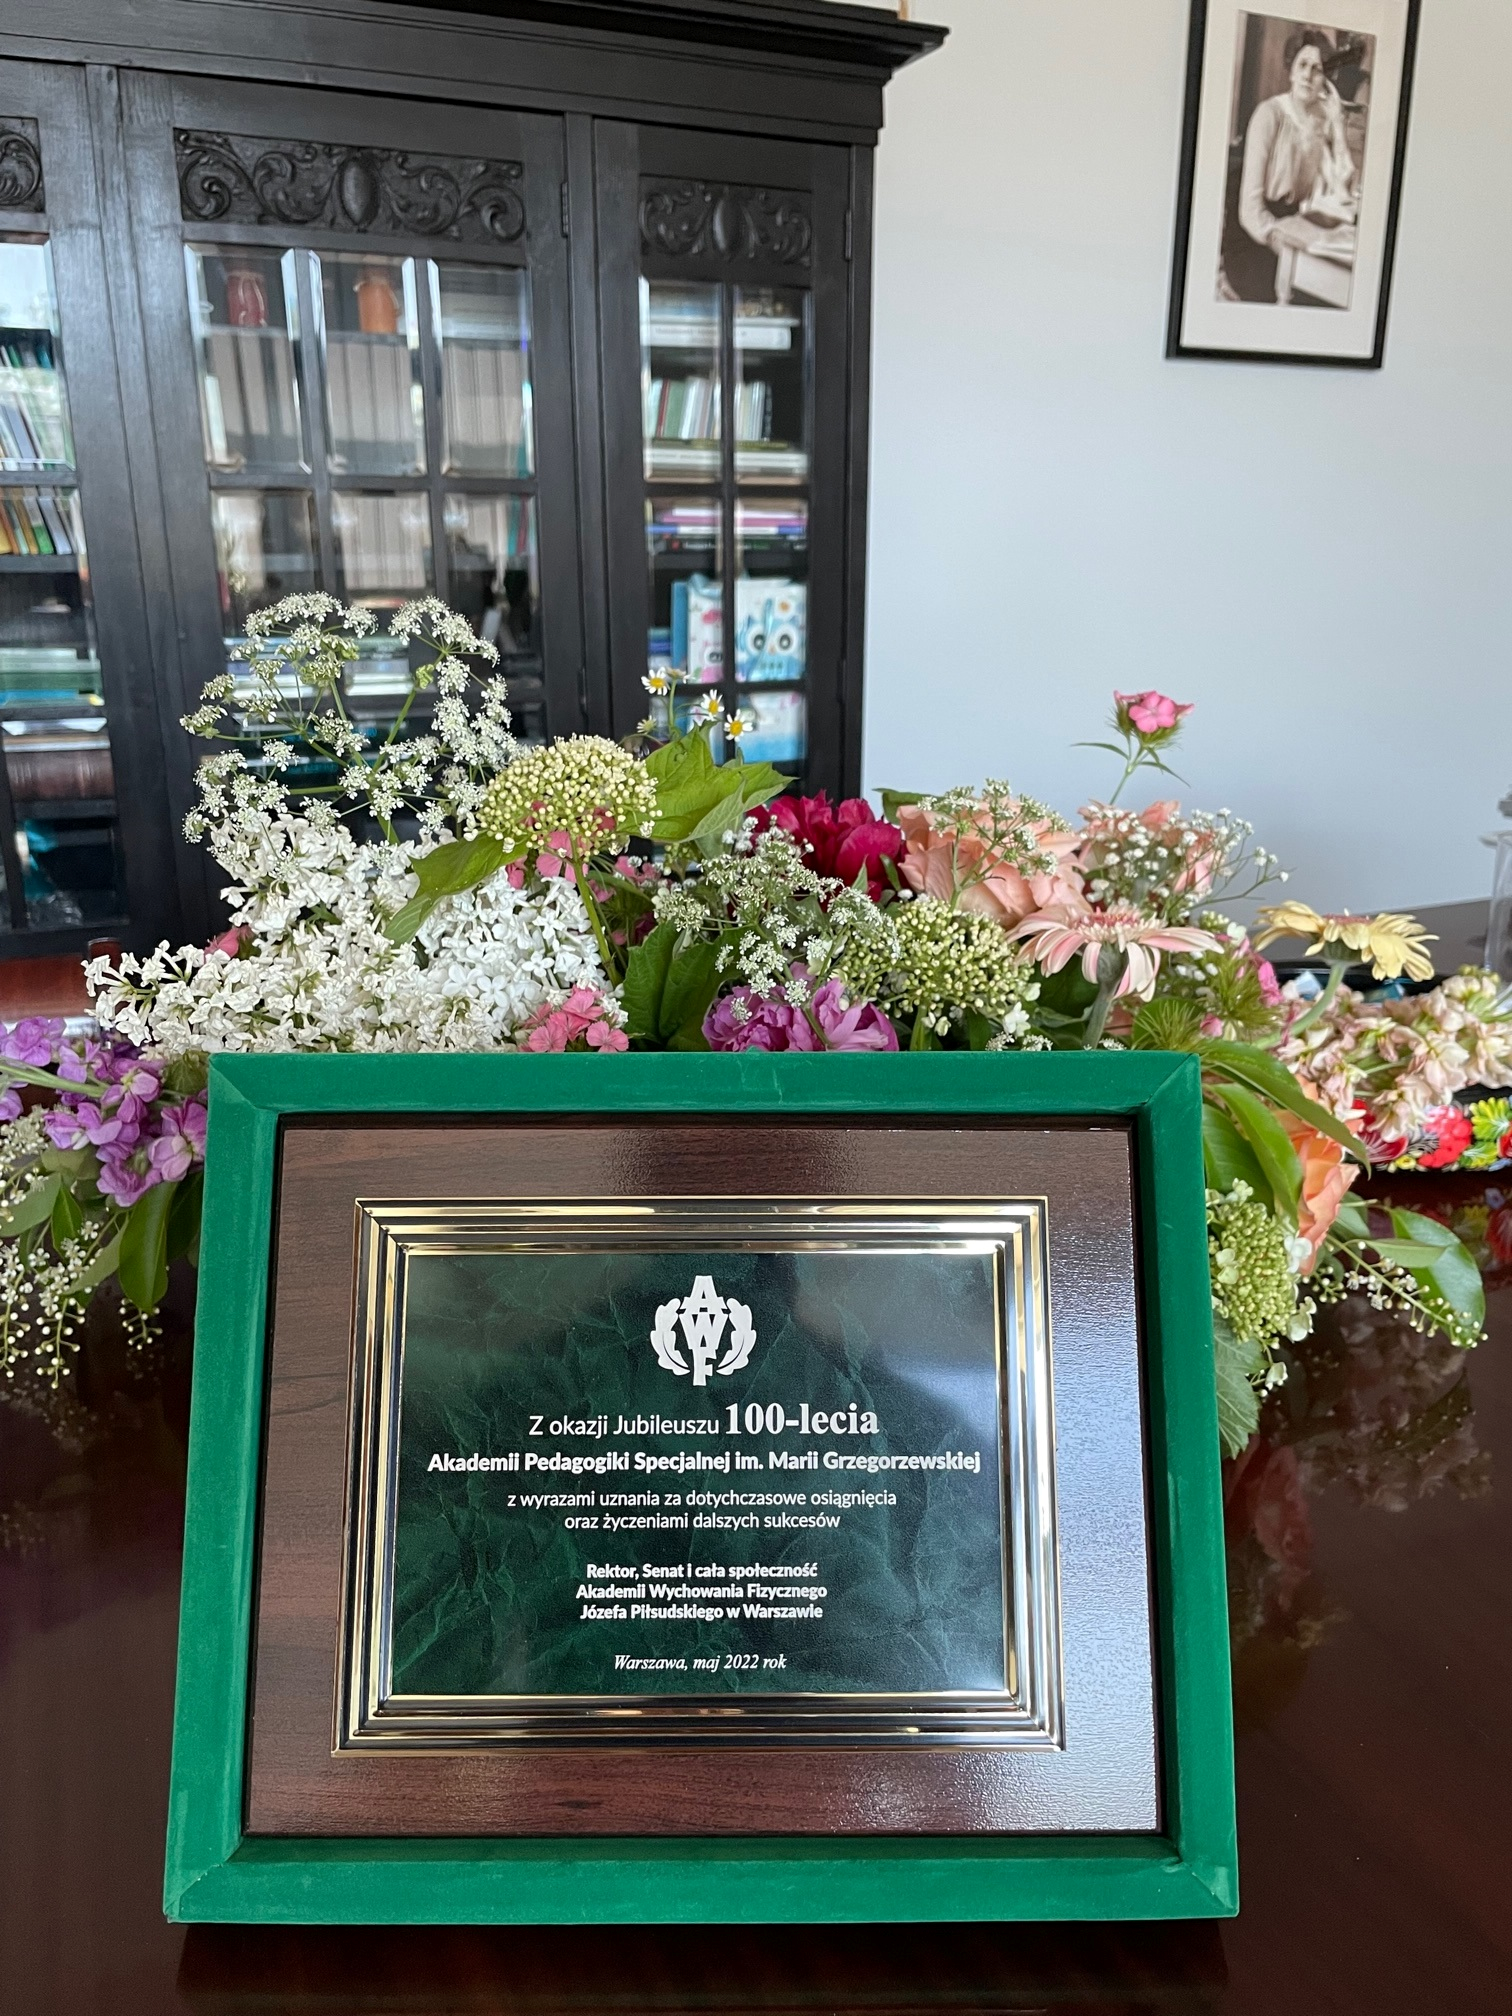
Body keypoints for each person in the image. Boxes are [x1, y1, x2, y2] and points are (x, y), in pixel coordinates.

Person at [1236, 27, 1358, 295]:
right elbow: (1249, 210)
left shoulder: (1322, 121)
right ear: (1291, 71)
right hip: (1258, 237)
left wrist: (1338, 124)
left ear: (1326, 80)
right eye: (1302, 65)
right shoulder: (1269, 115)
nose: (1308, 75)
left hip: (1296, 228)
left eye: (1317, 69)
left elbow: (1343, 191)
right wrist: (1284, 246)